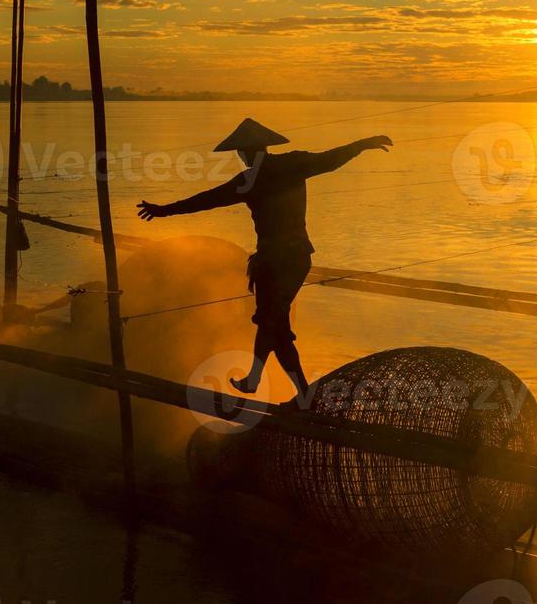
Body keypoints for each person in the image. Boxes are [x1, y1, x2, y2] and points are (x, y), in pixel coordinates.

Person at [137, 118, 392, 398]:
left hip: (279, 261)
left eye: (242, 151)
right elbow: (330, 159)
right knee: (277, 327)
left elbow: (206, 199)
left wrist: (165, 211)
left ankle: (257, 380)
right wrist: (363, 145)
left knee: (271, 321)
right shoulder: (290, 166)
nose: (241, 156)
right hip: (285, 259)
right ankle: (302, 395)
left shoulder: (252, 180)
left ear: (249, 152)